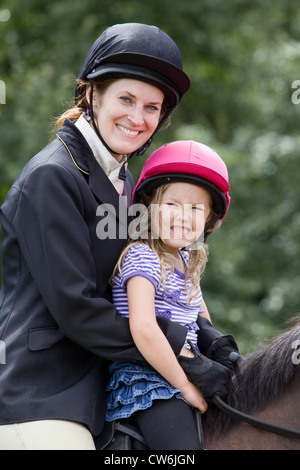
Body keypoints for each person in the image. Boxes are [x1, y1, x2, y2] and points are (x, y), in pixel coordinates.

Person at [0, 23, 193, 450]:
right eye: (126, 99)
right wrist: (179, 347)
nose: (137, 118)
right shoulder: (53, 176)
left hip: (105, 387)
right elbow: (78, 308)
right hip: (42, 395)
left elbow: (154, 278)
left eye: (151, 107)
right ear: (93, 94)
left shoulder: (125, 182)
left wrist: (210, 339)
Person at [105, 140, 236, 450]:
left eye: (195, 208)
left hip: (187, 368)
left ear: (208, 218)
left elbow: (200, 316)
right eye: (172, 204)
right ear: (150, 206)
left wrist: (220, 354)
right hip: (149, 379)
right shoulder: (143, 257)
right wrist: (184, 387)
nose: (183, 216)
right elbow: (144, 328)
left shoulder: (189, 260)